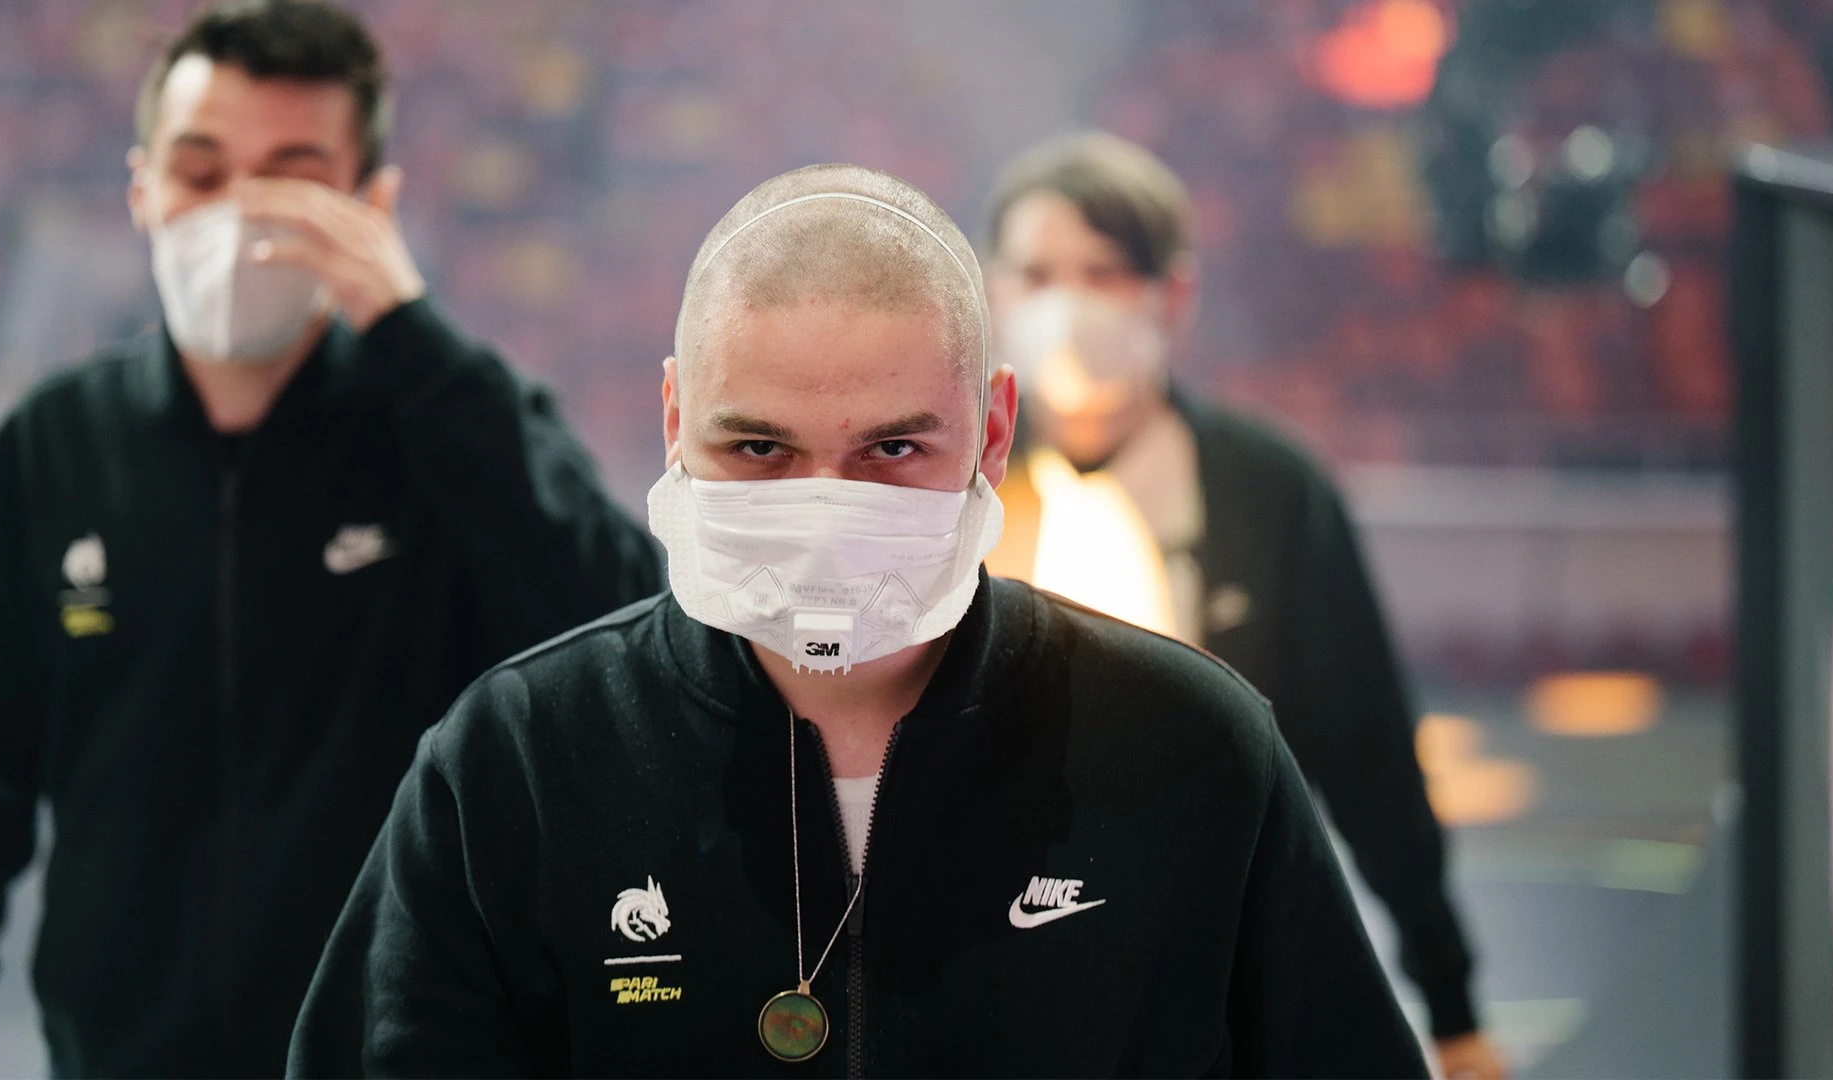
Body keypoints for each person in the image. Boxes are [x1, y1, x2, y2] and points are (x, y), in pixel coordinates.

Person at [287, 162, 1426, 1077]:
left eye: (891, 448)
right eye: (759, 447)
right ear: (677, 417)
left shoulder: (1192, 751)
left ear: (991, 431)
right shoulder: (517, 761)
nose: (823, 513)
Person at [0, 2, 660, 1075]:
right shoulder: (45, 456)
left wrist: (408, 329)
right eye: (201, 170)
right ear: (143, 188)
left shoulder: (451, 434)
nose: (236, 212)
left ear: (371, 205)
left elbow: (626, 635)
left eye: (291, 178)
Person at [978, 131, 1503, 1078]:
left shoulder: (1269, 492)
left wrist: (1453, 1005)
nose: (1066, 304)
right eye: (1038, 274)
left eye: (1102, 274)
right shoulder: (947, 493)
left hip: (1208, 967)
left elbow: (1369, 755)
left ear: (1172, 294)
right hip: (994, 967)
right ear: (992, 288)